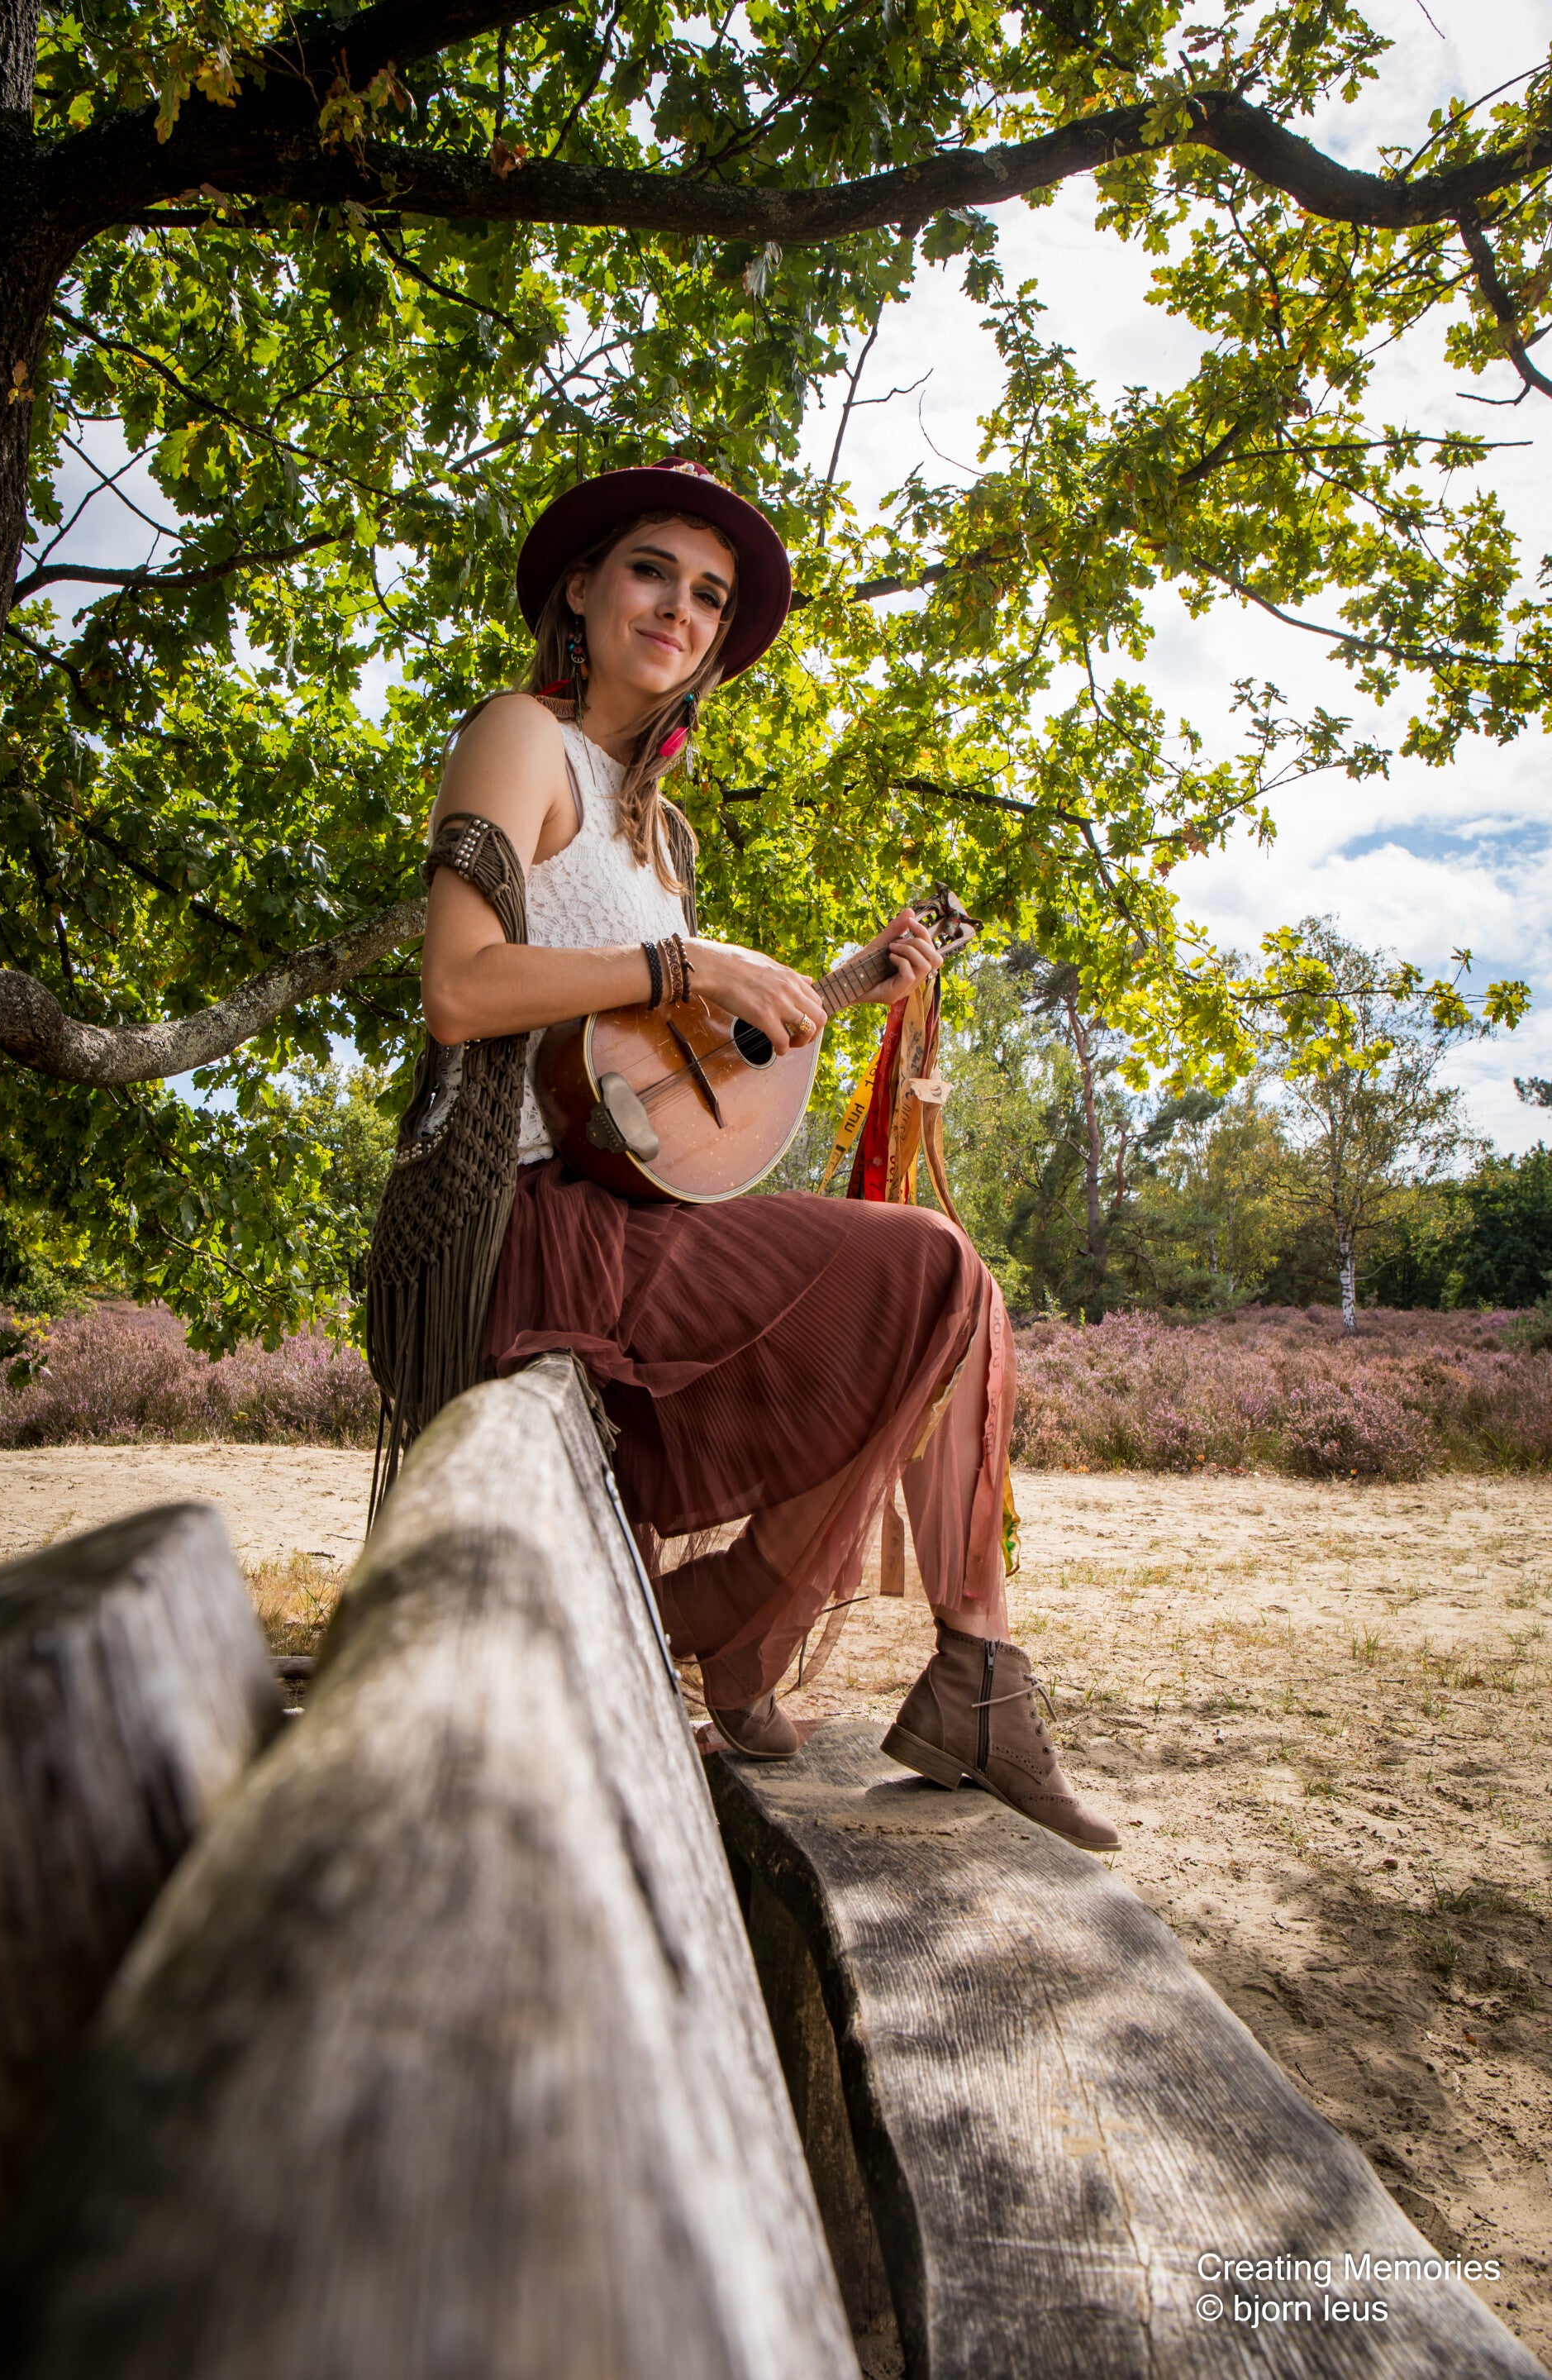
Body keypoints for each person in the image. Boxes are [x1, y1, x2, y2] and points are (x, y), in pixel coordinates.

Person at [379, 455, 1116, 1853]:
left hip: (625, 1208)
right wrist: (689, 964)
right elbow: (462, 992)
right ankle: (734, 1624)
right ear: (582, 588)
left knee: (948, 1296)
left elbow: (663, 1083)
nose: (681, 609)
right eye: (652, 572)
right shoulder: (520, 737)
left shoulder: (661, 832)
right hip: (524, 1220)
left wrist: (827, 994)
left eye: (711, 596)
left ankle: (964, 1670)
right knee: (935, 1273)